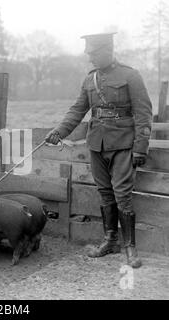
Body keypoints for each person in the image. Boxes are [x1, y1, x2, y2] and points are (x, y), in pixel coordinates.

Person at [45, 32, 152, 268]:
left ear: (107, 50)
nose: (90, 59)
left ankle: (130, 247)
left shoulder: (130, 75)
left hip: (124, 144)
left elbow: (143, 113)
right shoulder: (90, 79)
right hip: (97, 144)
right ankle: (110, 240)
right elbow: (77, 110)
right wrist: (59, 132)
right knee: (104, 192)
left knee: (122, 193)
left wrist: (140, 148)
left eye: (93, 54)